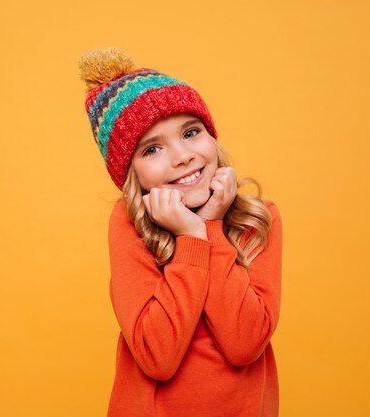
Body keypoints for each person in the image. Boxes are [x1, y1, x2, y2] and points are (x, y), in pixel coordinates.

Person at [78, 47, 283, 417]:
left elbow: (245, 343)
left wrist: (210, 229)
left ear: (212, 137)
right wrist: (191, 238)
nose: (182, 156)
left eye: (191, 132)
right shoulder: (130, 225)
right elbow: (157, 357)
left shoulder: (258, 219)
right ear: (132, 175)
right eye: (153, 149)